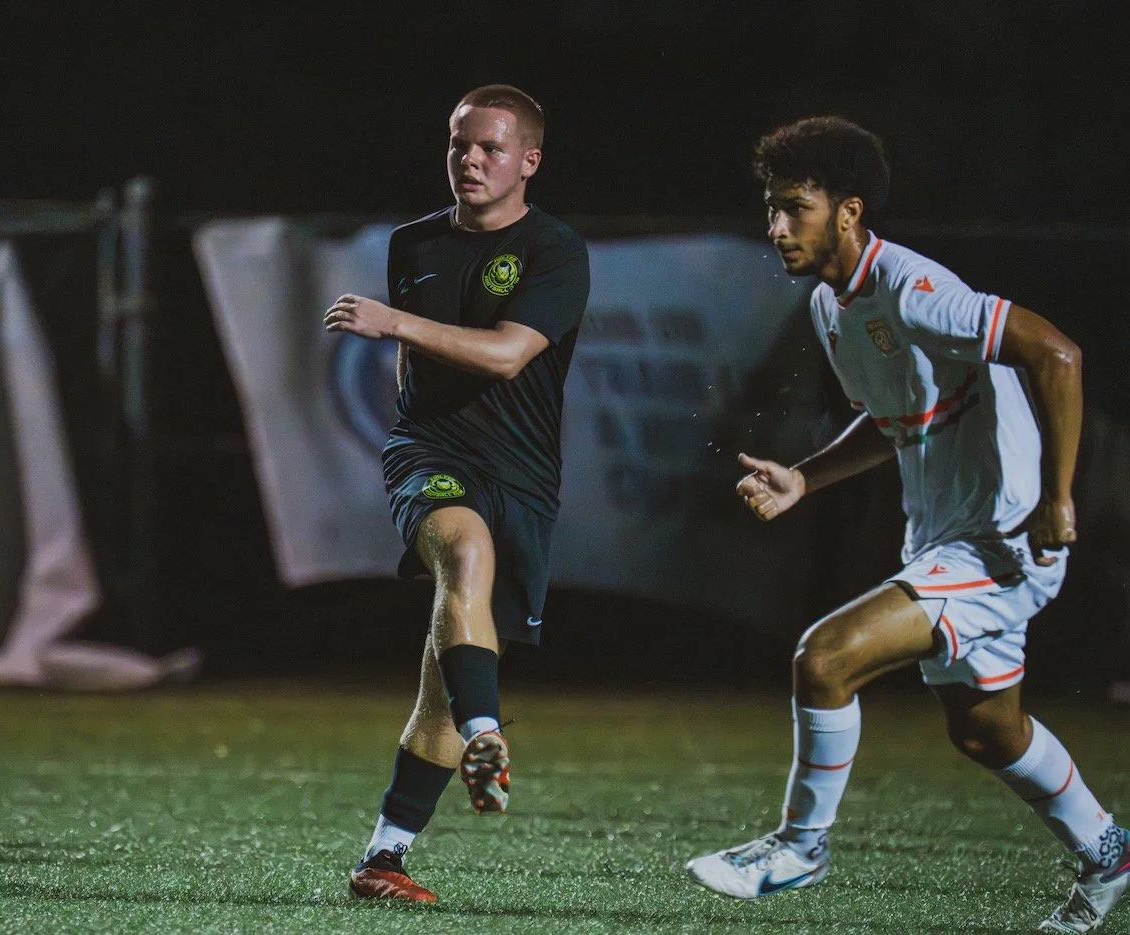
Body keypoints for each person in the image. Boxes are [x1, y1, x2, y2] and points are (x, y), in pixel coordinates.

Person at [684, 116, 1128, 933]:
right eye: (771, 209)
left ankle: (801, 846)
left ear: (848, 211)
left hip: (1002, 541)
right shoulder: (830, 305)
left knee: (824, 658)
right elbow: (896, 421)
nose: (775, 227)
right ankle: (1111, 852)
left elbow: (1057, 354)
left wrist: (1059, 499)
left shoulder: (915, 290)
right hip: (945, 539)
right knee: (987, 732)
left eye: (795, 208)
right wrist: (805, 478)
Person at [323, 84, 590, 903]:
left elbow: (509, 355)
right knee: (462, 550)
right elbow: (415, 370)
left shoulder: (557, 251)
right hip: (431, 454)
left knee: (443, 680)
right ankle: (489, 733)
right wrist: (410, 432)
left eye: (491, 149)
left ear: (529, 162)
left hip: (523, 474)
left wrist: (393, 323)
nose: (470, 160)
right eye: (458, 145)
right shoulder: (414, 243)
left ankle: (385, 857)